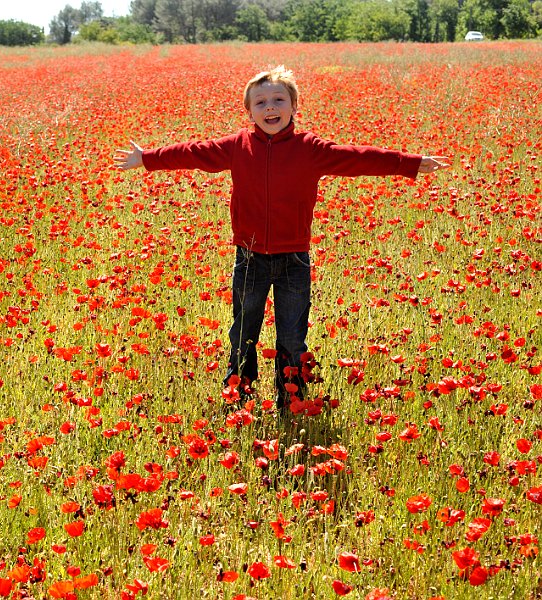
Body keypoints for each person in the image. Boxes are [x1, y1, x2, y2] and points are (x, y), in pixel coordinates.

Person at [114, 65, 449, 414]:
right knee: (243, 329)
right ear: (249, 112)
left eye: (278, 100)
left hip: (294, 260)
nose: (270, 107)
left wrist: (408, 163)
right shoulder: (236, 147)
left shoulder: (310, 148)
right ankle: (238, 393)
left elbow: (357, 157)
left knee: (292, 335)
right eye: (260, 102)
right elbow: (193, 152)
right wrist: (147, 158)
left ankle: (290, 397)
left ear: (294, 106)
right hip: (250, 258)